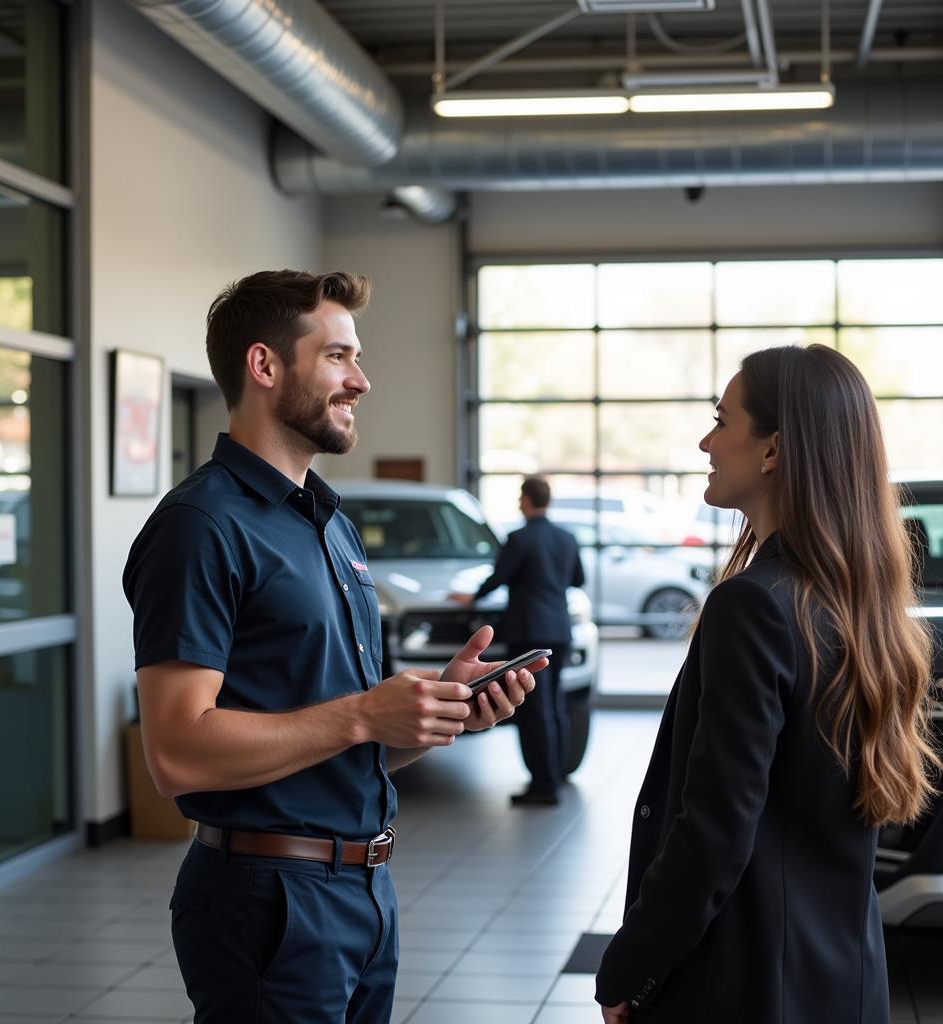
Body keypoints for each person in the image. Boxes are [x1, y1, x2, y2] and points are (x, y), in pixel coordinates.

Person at [122, 269, 542, 1024]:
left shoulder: (328, 524)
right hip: (267, 902)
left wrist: (434, 715)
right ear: (265, 366)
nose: (362, 381)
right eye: (339, 357)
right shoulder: (202, 526)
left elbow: (344, 740)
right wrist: (361, 714)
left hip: (363, 892)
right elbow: (176, 751)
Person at [595, 344, 939, 1024]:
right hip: (843, 975)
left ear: (773, 450)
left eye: (722, 420)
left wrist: (631, 970)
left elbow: (715, 830)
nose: (705, 441)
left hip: (745, 984)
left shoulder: (754, 604)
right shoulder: (858, 607)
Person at [453, 476, 585, 805]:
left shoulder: (519, 538)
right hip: (560, 629)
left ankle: (543, 786)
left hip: (528, 630)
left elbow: (500, 577)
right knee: (555, 707)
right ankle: (555, 775)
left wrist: (471, 598)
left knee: (535, 711)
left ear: (525, 500)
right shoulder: (567, 538)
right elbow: (578, 579)